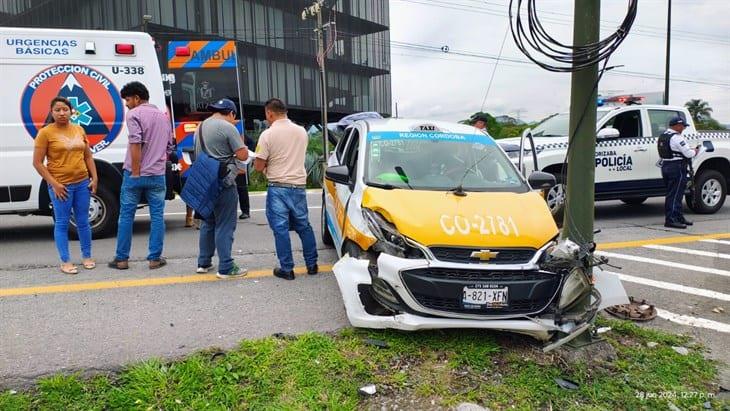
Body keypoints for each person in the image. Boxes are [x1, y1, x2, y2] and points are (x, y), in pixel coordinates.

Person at [109, 82, 173, 270]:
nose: (127, 104)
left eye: (128, 100)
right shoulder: (163, 118)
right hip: (157, 175)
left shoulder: (134, 114)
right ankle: (154, 258)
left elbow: (136, 142)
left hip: (134, 174)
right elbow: (169, 147)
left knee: (127, 215)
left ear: (137, 98)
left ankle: (121, 259)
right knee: (157, 216)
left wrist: (136, 171)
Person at [32, 96, 98, 274]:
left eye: (65, 109)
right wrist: (54, 184)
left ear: (71, 111)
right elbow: (37, 163)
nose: (61, 113)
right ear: (52, 112)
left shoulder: (79, 129)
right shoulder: (45, 133)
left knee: (83, 221)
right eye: (57, 110)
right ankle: (65, 261)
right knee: (61, 223)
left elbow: (88, 156)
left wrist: (95, 177)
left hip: (82, 183)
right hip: (61, 186)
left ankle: (87, 256)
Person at [254, 98, 318, 281]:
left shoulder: (267, 135)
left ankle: (287, 269)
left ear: (270, 113)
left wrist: (266, 166)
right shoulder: (301, 132)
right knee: (304, 226)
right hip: (298, 186)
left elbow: (258, 166)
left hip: (278, 187)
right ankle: (312, 265)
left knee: (281, 229)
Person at [194, 98, 249, 278]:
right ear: (231, 113)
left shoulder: (200, 127)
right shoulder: (228, 127)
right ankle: (225, 267)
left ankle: (203, 262)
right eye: (235, 117)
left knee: (208, 222)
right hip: (223, 181)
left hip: (203, 179)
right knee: (225, 224)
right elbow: (243, 154)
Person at [657, 116, 698, 229]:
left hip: (666, 166)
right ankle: (671, 219)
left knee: (673, 193)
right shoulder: (677, 138)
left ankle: (679, 217)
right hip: (677, 167)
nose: (684, 128)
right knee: (675, 195)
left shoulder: (663, 135)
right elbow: (688, 154)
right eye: (683, 126)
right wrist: (695, 151)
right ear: (677, 125)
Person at [235, 133, 256, 220]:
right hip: (228, 162)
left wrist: (247, 153)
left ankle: (245, 211)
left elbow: (251, 143)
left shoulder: (241, 132)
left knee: (241, 188)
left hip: (240, 162)